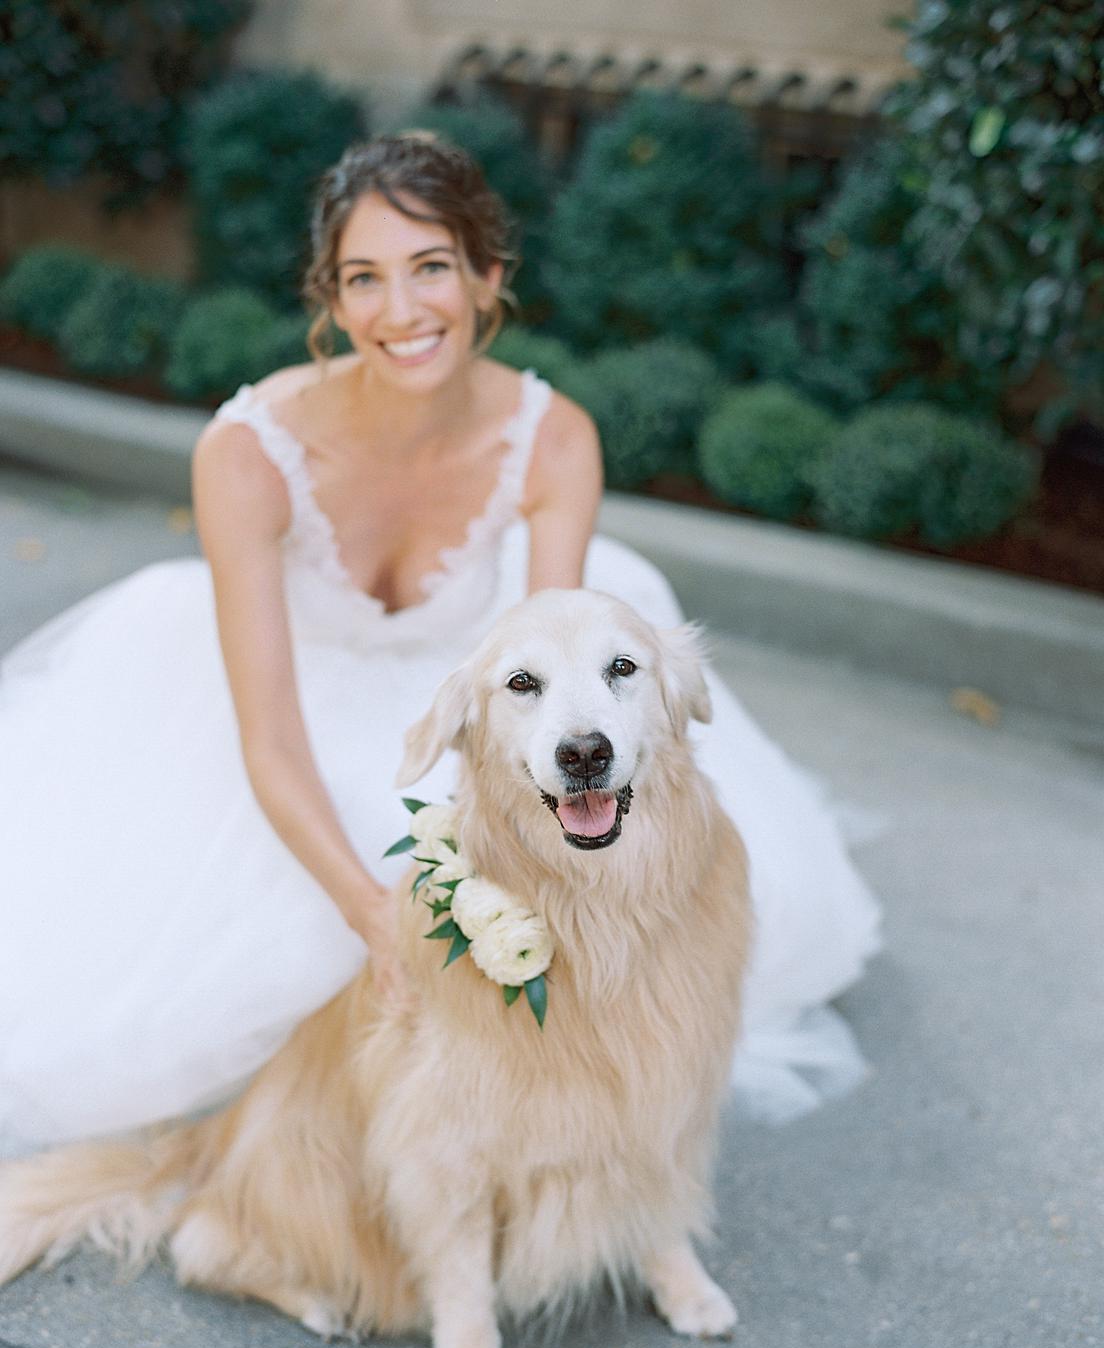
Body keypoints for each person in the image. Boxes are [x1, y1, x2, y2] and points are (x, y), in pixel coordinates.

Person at [0, 133, 880, 1157]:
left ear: (487, 276)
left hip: (476, 687)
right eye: (363, 280)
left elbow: (562, 701)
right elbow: (272, 744)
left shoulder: (555, 440)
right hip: (272, 693)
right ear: (329, 300)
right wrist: (377, 915)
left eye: (430, 269)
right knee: (265, 967)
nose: (402, 312)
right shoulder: (246, 455)